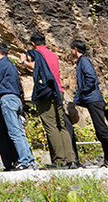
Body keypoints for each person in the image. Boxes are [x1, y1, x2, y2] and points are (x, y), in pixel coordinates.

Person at [70, 40, 108, 167]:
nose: (71, 52)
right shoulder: (82, 61)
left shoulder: (84, 61)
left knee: (103, 131)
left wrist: (82, 92)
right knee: (100, 132)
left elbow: (91, 78)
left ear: (75, 49)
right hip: (93, 100)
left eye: (71, 49)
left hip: (94, 100)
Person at [24, 32, 81, 163]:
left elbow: (37, 67)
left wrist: (24, 62)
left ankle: (59, 160)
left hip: (46, 92)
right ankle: (71, 159)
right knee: (62, 125)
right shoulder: (53, 55)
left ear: (33, 43)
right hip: (58, 91)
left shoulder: (36, 53)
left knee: (51, 126)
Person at [0, 43, 38, 170]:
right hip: (16, 98)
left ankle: (23, 161)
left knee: (14, 132)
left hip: (7, 99)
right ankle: (29, 159)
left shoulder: (1, 64)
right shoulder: (11, 64)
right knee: (20, 132)